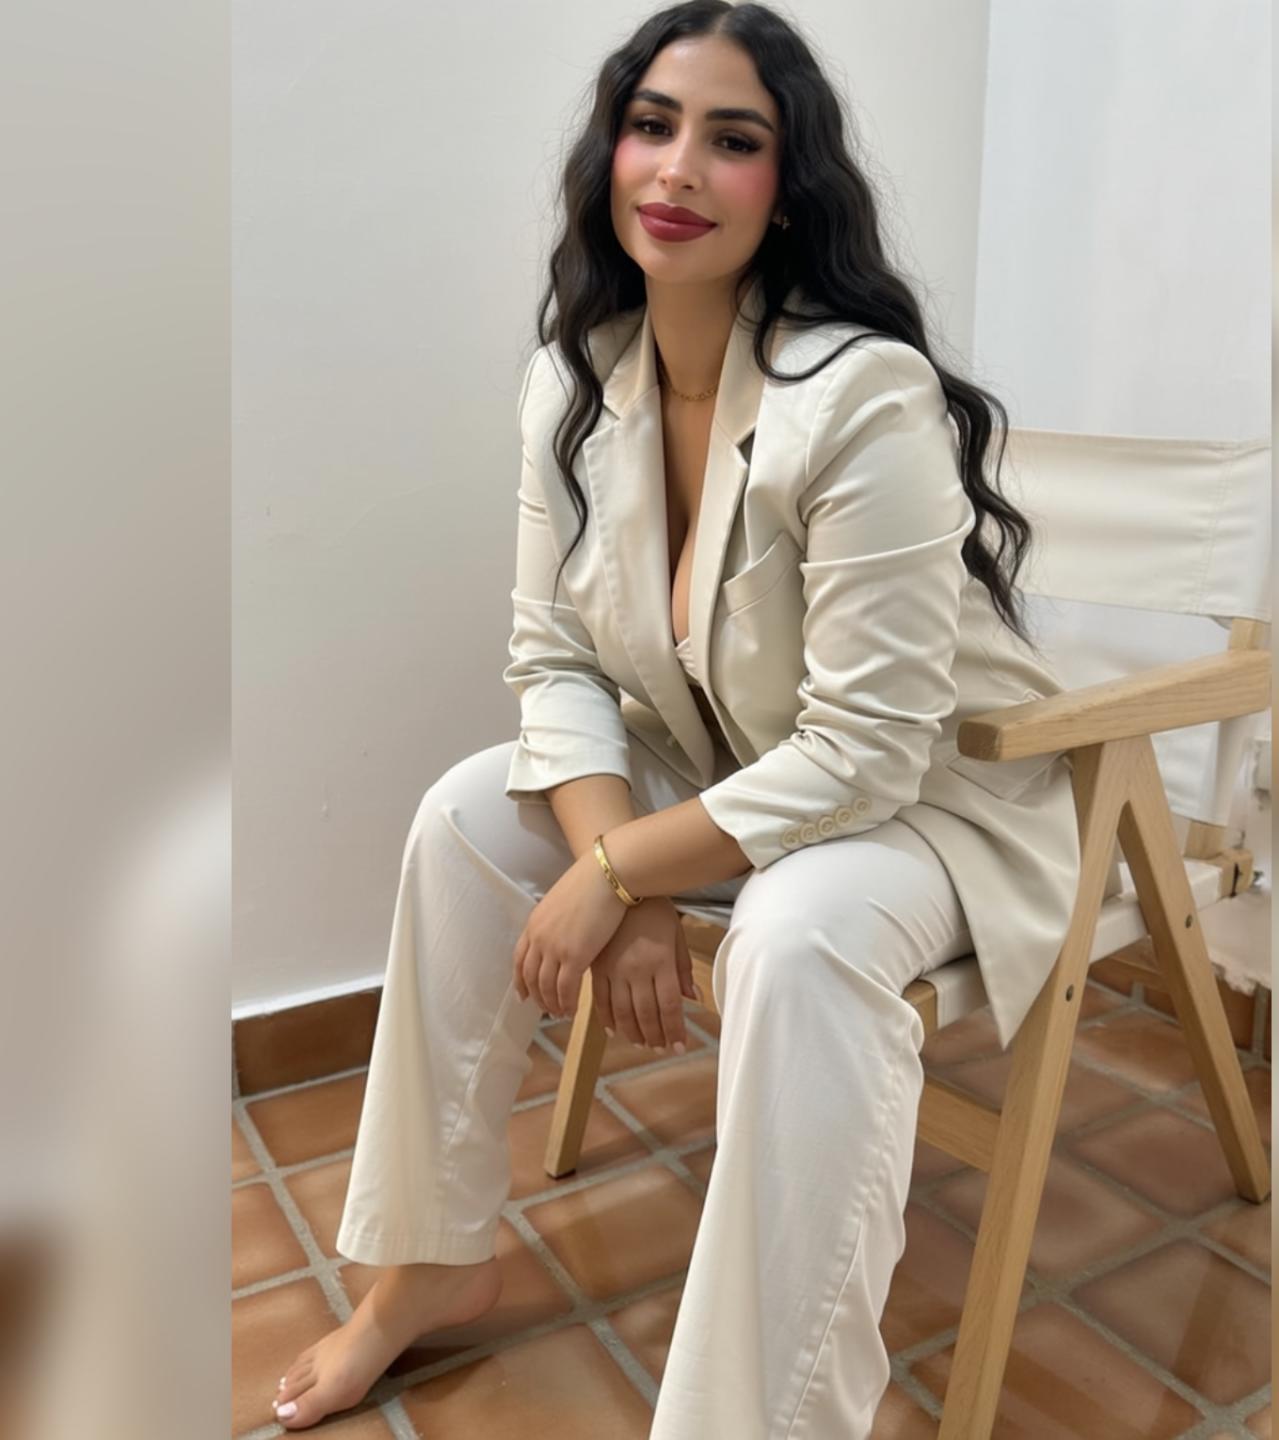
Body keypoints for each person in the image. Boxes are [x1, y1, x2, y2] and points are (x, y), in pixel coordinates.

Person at [271, 3, 1080, 1433]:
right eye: (653, 125)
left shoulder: (864, 396)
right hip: (737, 766)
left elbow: (869, 753)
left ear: (789, 189)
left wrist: (618, 868)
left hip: (936, 801)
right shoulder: (574, 383)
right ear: (611, 155)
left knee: (799, 933)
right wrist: (627, 880)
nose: (681, 167)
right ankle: (430, 1266)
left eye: (733, 139)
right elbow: (553, 659)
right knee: (464, 820)